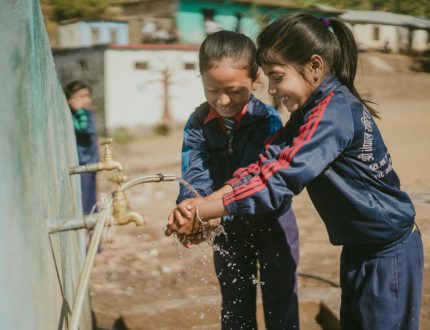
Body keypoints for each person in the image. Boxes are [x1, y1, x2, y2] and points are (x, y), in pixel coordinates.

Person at [166, 14, 423, 330]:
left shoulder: (332, 113)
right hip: (359, 248)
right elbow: (264, 165)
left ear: (314, 66)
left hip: (388, 252)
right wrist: (198, 206)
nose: (272, 90)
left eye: (276, 77)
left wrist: (206, 209)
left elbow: (279, 177)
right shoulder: (308, 114)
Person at [176, 30, 299, 329]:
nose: (223, 100)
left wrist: (209, 211)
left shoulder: (266, 121)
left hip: (271, 223)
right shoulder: (197, 123)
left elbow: (253, 177)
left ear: (255, 79)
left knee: (280, 303)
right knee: (234, 303)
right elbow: (194, 172)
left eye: (235, 90)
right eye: (211, 89)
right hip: (227, 229)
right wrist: (189, 208)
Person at [64, 80, 99, 215]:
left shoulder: (85, 114)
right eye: (82, 96)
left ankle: (93, 235)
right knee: (84, 205)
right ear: (70, 100)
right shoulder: (76, 116)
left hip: (90, 165)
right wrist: (79, 110)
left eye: (88, 95)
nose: (87, 99)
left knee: (91, 203)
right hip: (81, 166)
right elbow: (85, 129)